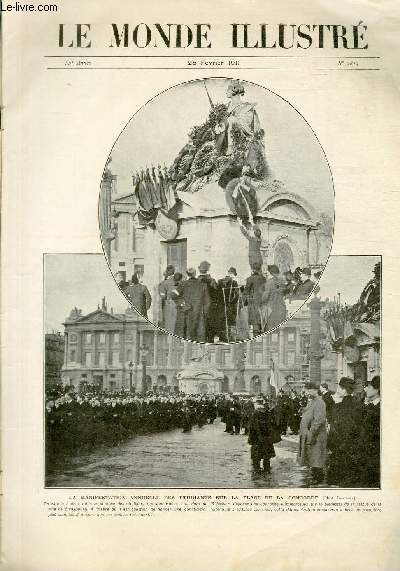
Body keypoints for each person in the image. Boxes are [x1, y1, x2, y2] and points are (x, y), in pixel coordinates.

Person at [327, 377, 363, 487]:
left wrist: (331, 444)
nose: (337, 390)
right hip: (353, 446)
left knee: (340, 478)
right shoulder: (358, 404)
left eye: (339, 387)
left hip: (340, 446)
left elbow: (337, 429)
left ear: (344, 390)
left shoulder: (338, 407)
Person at [297, 381, 327, 484]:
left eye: (308, 390)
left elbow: (319, 420)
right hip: (311, 434)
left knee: (317, 457)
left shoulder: (320, 402)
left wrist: (311, 433)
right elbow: (310, 412)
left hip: (316, 435)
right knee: (312, 457)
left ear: (315, 390)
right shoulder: (313, 401)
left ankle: (318, 479)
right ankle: (315, 476)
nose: (306, 393)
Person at [177, 267, 210, 342]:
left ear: (187, 274)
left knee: (187, 336)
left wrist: (183, 305)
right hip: (199, 313)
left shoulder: (182, 284)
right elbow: (208, 302)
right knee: (199, 336)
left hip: (186, 312)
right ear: (195, 274)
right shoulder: (203, 285)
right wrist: (204, 313)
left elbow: (173, 296)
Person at [359, 375, 380, 487]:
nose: (366, 389)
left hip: (374, 455)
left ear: (377, 390)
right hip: (366, 454)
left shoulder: (380, 408)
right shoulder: (369, 406)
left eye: (369, 386)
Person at [248, 399, 276, 474]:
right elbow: (271, 425)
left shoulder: (255, 413)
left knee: (256, 454)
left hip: (257, 437)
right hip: (266, 437)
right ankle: (266, 467)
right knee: (266, 453)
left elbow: (252, 427)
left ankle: (257, 467)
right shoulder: (267, 413)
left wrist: (251, 438)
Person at [259, 265, 287, 332]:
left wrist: (260, 302)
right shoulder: (282, 281)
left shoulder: (269, 282)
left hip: (272, 309)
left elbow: (265, 297)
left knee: (271, 331)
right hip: (281, 308)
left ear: (270, 272)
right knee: (280, 332)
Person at [197, 261, 218, 342]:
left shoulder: (196, 281)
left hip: (199, 305)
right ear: (208, 269)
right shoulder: (212, 280)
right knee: (210, 323)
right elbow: (216, 292)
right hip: (210, 305)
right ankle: (210, 339)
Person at [217, 267, 239, 341]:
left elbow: (216, 293)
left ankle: (222, 337)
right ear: (233, 274)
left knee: (222, 321)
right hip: (230, 305)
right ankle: (229, 337)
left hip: (221, 305)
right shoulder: (234, 283)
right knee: (230, 321)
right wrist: (233, 303)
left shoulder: (219, 281)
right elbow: (236, 295)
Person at [244, 263, 266, 336]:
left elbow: (246, 291)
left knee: (255, 320)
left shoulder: (250, 278)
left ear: (252, 270)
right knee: (261, 319)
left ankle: (255, 339)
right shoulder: (263, 278)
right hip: (262, 301)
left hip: (253, 301)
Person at [158, 264, 176, 332]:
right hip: (177, 303)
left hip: (168, 303)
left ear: (168, 271)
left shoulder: (164, 282)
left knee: (168, 322)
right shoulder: (179, 281)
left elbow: (162, 295)